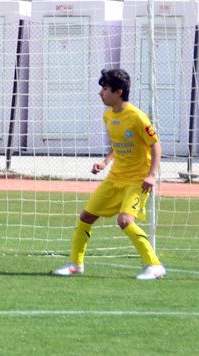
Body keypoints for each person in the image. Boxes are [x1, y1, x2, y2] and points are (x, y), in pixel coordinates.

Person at [54, 69, 166, 280]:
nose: (100, 93)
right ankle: (75, 264)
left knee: (124, 220)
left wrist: (152, 175)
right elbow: (118, 144)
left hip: (137, 181)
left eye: (105, 89)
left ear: (118, 92)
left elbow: (156, 145)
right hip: (115, 178)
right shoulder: (108, 115)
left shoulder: (137, 117)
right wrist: (105, 162)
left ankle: (154, 265)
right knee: (86, 217)